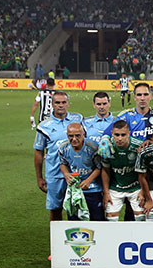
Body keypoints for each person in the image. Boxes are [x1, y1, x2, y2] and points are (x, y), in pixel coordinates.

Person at [33, 91, 84, 221]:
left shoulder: (78, 119)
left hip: (75, 174)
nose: (61, 105)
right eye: (57, 102)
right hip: (55, 174)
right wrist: (39, 177)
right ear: (52, 104)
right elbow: (38, 152)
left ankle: (75, 233)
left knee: (76, 208)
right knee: (55, 209)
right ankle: (56, 234)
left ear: (68, 103)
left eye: (63, 102)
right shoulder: (44, 127)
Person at [100, 119, 145, 222]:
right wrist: (106, 192)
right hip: (116, 187)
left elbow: (144, 172)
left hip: (135, 187)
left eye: (123, 135)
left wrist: (143, 191)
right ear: (112, 133)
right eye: (117, 135)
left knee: (140, 217)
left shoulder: (138, 146)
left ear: (129, 133)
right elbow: (105, 170)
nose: (120, 138)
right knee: (111, 217)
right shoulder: (107, 147)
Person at [58, 123, 104, 220]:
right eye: (71, 136)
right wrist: (66, 174)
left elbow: (99, 167)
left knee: (96, 220)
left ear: (83, 135)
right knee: (74, 220)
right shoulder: (63, 148)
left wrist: (89, 180)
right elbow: (63, 163)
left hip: (92, 189)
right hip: (74, 189)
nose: (74, 139)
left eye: (77, 135)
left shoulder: (93, 147)